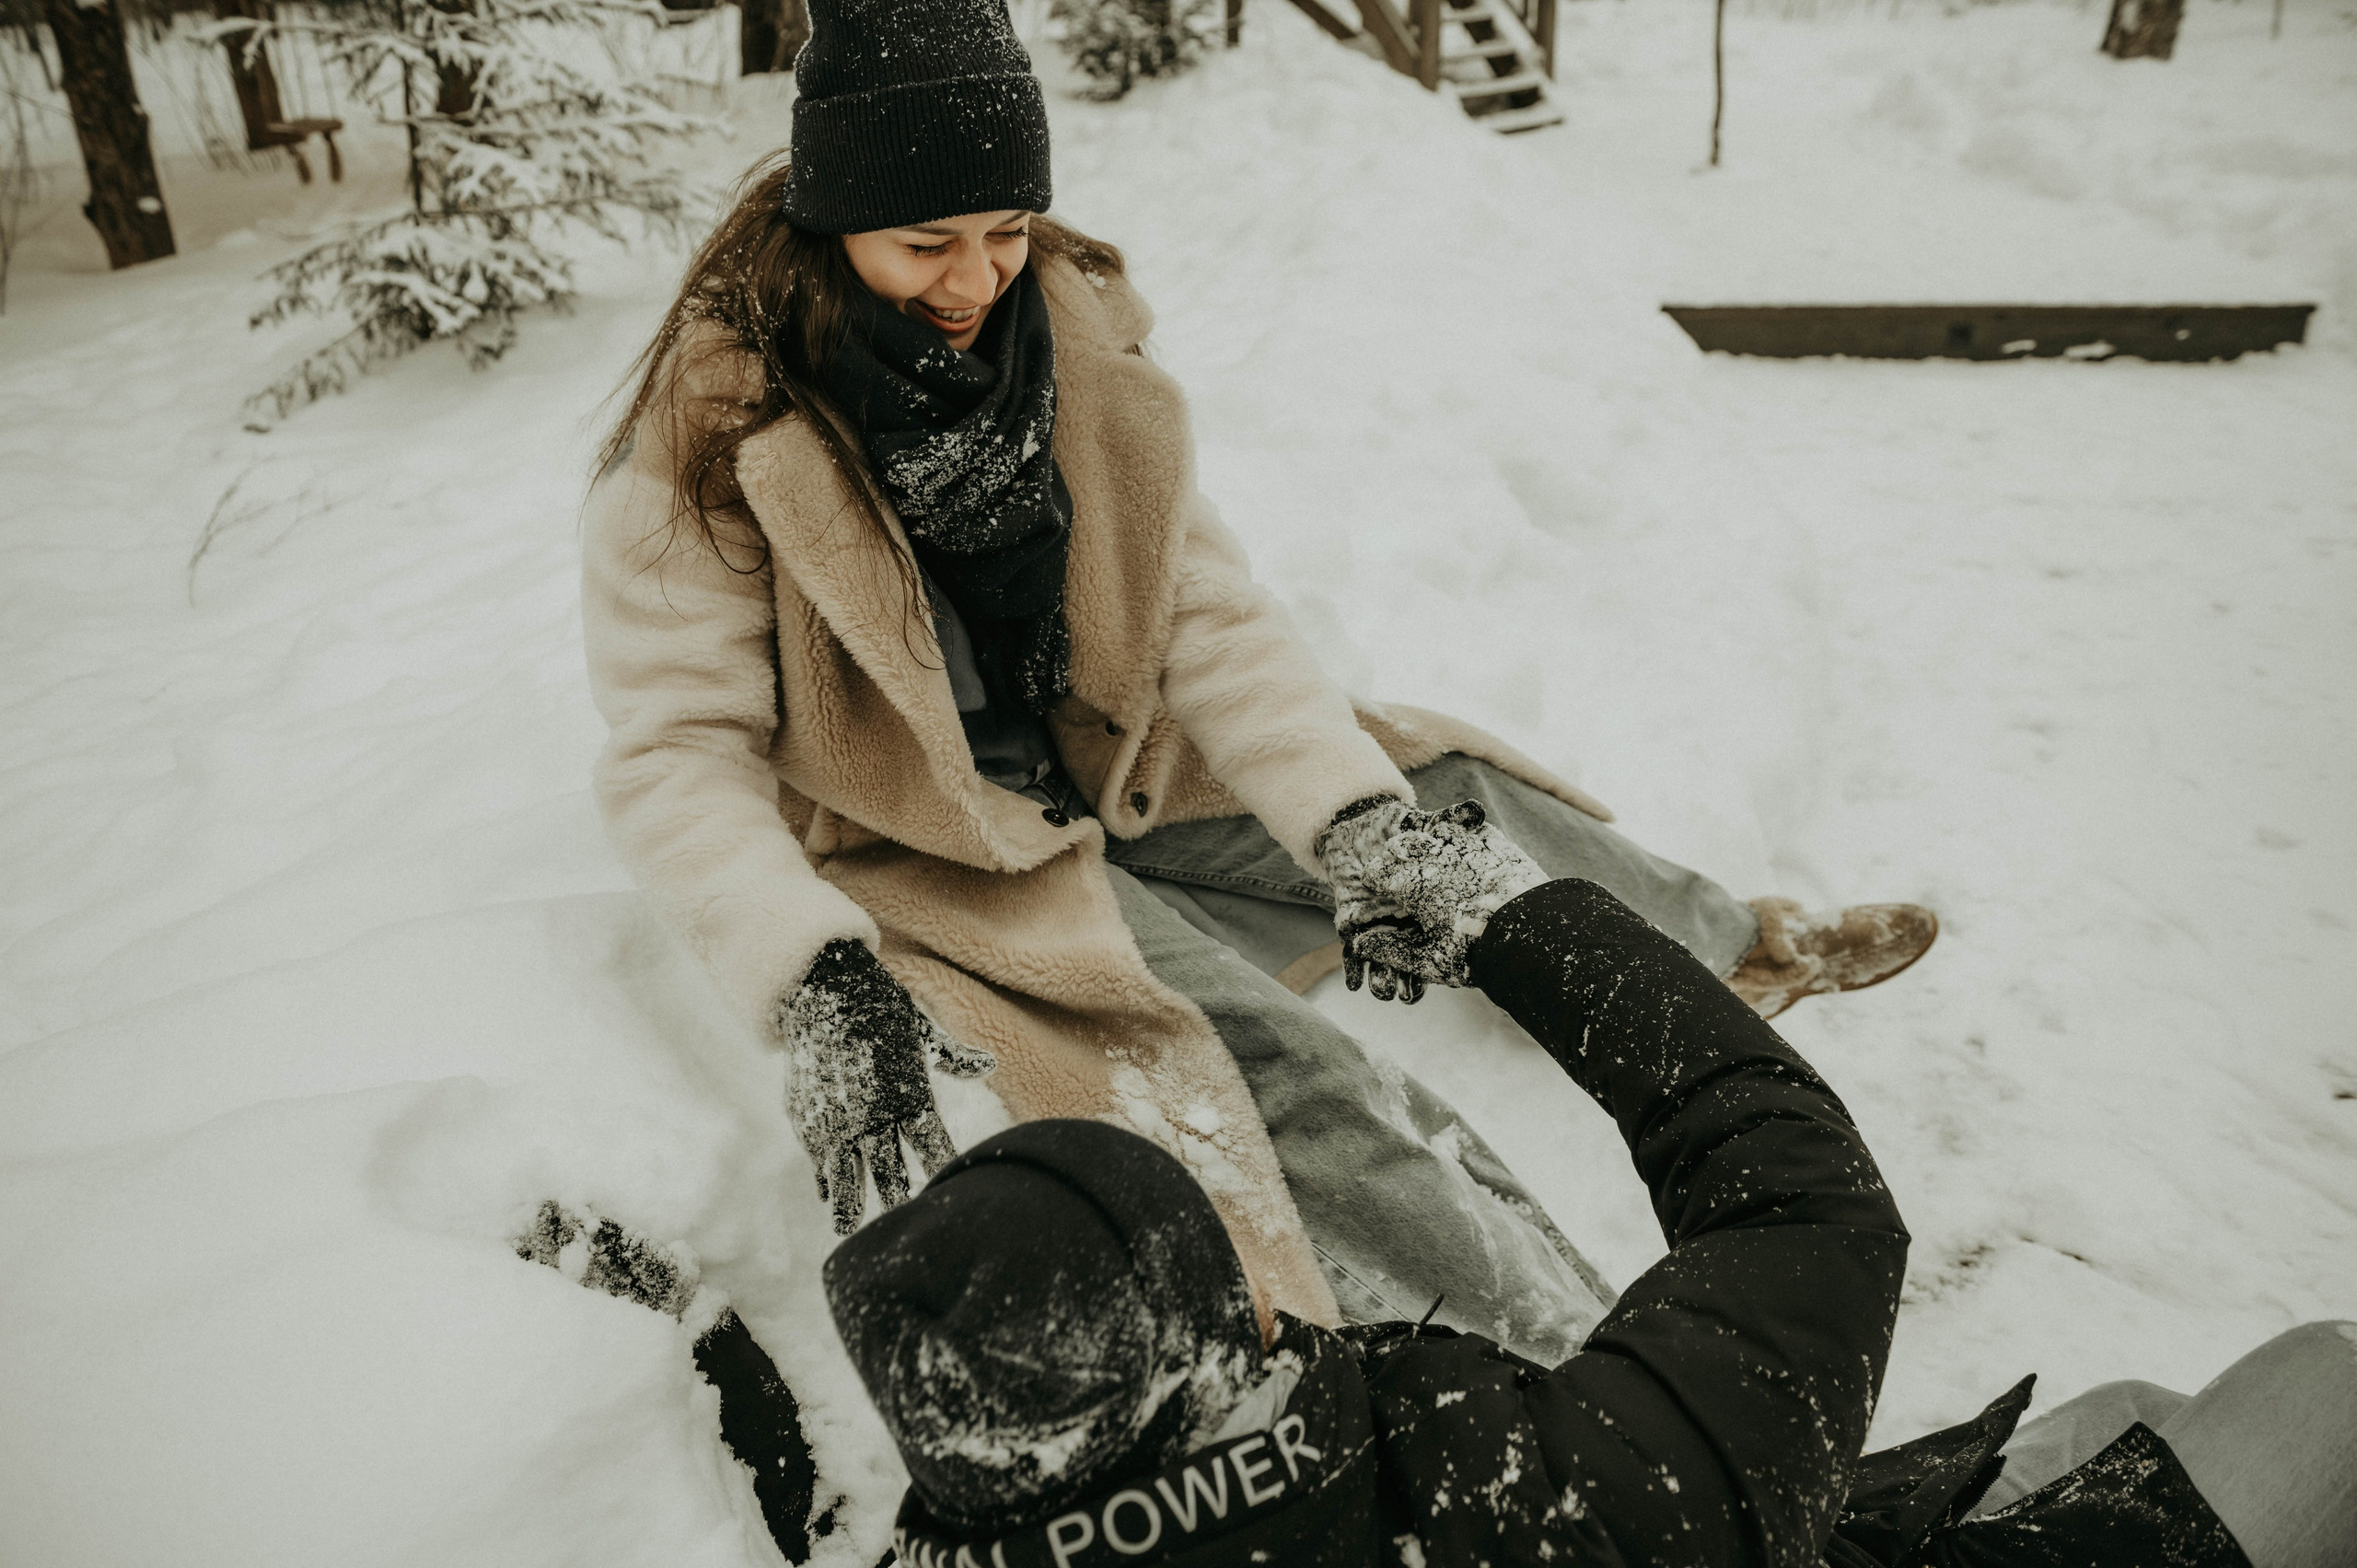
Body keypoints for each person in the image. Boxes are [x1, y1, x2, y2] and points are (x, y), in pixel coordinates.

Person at [580, 0, 1938, 1365]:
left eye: (1004, 231)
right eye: (924, 244)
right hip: (951, 842)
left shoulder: (1077, 351)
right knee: (1268, 1067)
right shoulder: (715, 437)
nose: (973, 279)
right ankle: (1575, 1369)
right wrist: (814, 980)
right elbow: (673, 749)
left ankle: (1736, 950)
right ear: (828, 222)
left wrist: (1357, 826)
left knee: (1439, 794)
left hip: (1121, 756)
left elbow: (1202, 613)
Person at [819, 862, 2357, 1568]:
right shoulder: (1551, 1502)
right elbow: (1800, 1212)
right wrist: (1514, 914)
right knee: (2327, 1389)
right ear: (1217, 1352)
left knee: (2116, 1418)